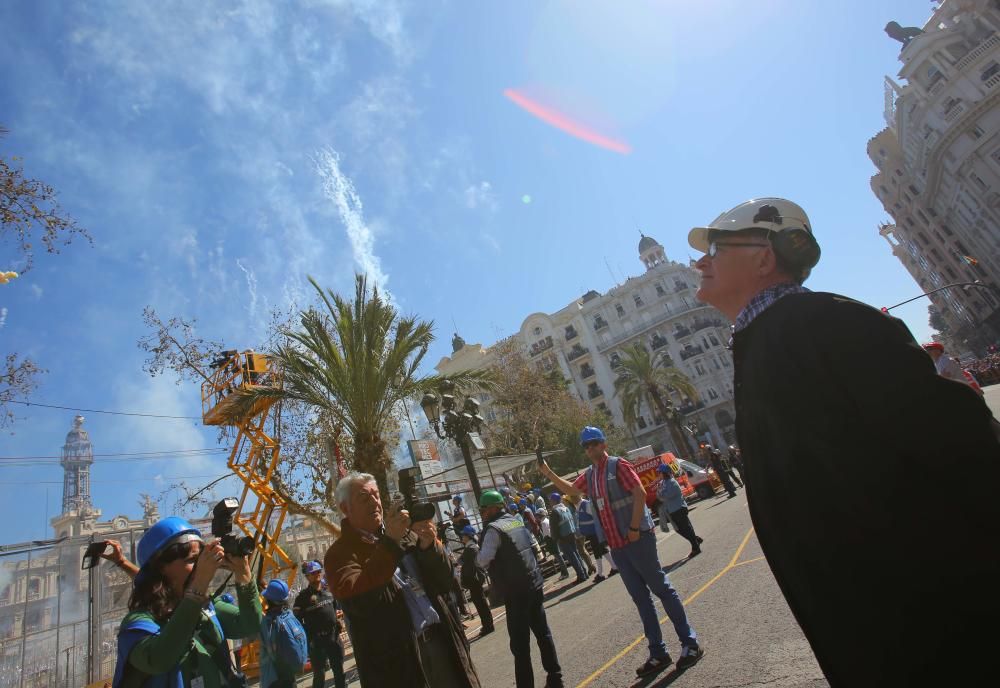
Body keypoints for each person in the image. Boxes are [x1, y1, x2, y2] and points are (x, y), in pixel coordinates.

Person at [688, 196, 1000, 686]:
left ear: (765, 258)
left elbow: (965, 445)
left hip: (939, 633)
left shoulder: (828, 322)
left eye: (717, 247)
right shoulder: (761, 344)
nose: (700, 261)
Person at [539, 430, 704, 677]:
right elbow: (573, 490)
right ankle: (658, 653)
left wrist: (635, 527)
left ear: (603, 443)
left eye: (593, 443)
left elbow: (638, 493)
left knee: (661, 589)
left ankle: (690, 643)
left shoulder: (618, 465)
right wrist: (548, 472)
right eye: (585, 446)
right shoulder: (591, 474)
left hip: (637, 539)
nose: (590, 448)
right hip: (618, 545)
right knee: (641, 599)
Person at [324, 472, 481, 688]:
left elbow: (446, 581)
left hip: (442, 644)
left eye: (376, 495)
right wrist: (390, 543)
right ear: (345, 508)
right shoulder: (339, 555)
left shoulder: (405, 534)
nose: (374, 502)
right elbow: (358, 600)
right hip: (398, 665)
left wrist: (431, 548)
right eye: (364, 498)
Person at [112, 516, 262, 688]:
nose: (200, 567)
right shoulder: (139, 623)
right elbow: (158, 659)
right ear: (161, 568)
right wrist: (198, 586)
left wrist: (243, 574)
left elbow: (250, 624)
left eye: (201, 559)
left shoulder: (207, 607)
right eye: (192, 560)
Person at [475, 490, 563, 688]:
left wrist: (474, 559)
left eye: (483, 508)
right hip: (533, 583)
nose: (481, 513)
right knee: (543, 633)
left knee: (520, 646)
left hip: (515, 592)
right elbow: (531, 545)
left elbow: (483, 559)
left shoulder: (493, 530)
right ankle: (555, 677)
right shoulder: (516, 521)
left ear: (492, 508)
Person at [293, 560, 346, 688]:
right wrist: (309, 638)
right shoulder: (302, 598)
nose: (316, 574)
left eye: (318, 571)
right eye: (313, 573)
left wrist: (337, 622)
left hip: (333, 638)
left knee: (339, 671)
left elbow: (334, 609)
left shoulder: (328, 592)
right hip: (317, 643)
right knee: (319, 675)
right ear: (307, 576)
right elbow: (297, 622)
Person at [260, 579, 307, 688]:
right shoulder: (289, 614)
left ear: (270, 600)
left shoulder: (270, 622)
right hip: (289, 674)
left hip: (276, 677)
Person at [656, 465, 703, 558]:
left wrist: (660, 493)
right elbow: (660, 496)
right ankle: (695, 539)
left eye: (659, 472)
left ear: (664, 473)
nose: (658, 474)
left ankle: (696, 547)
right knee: (680, 529)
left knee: (685, 528)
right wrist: (660, 492)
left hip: (679, 509)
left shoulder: (671, 482)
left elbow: (666, 496)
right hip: (673, 510)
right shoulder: (664, 482)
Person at [458, 525, 494, 637]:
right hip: (475, 579)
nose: (461, 537)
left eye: (463, 535)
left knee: (480, 603)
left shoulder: (470, 549)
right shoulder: (473, 547)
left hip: (474, 579)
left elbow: (461, 561)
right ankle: (487, 625)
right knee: (481, 602)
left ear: (468, 536)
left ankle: (488, 626)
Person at [548, 493, 588, 584]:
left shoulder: (555, 511)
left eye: (551, 500)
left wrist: (555, 538)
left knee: (572, 557)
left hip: (562, 537)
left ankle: (581, 575)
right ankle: (584, 572)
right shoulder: (565, 508)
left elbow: (554, 527)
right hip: (571, 534)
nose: (550, 502)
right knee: (576, 554)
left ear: (554, 500)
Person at [576, 497, 617, 582]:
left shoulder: (585, 504)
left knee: (597, 552)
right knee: (602, 550)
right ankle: (614, 567)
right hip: (592, 532)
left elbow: (595, 515)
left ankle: (600, 574)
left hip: (594, 531)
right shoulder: (580, 505)